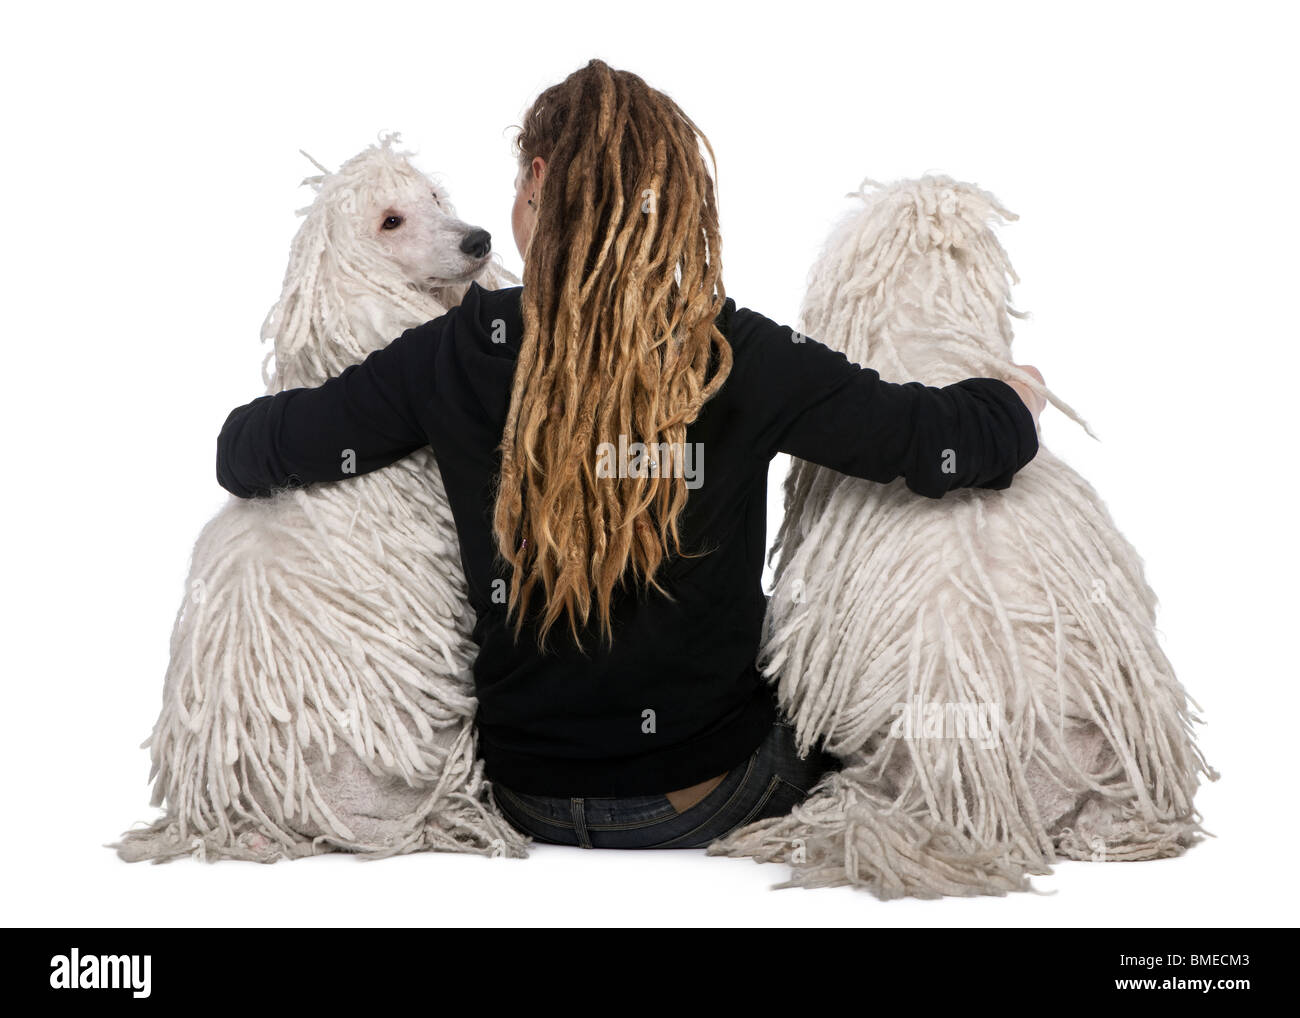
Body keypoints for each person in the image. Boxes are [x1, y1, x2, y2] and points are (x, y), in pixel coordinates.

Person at [216, 59, 1046, 851]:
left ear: (535, 184)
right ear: (668, 205)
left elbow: (249, 451)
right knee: (844, 707)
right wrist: (1017, 397)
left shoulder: (450, 352)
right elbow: (943, 445)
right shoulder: (732, 353)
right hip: (710, 793)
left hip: (524, 795)